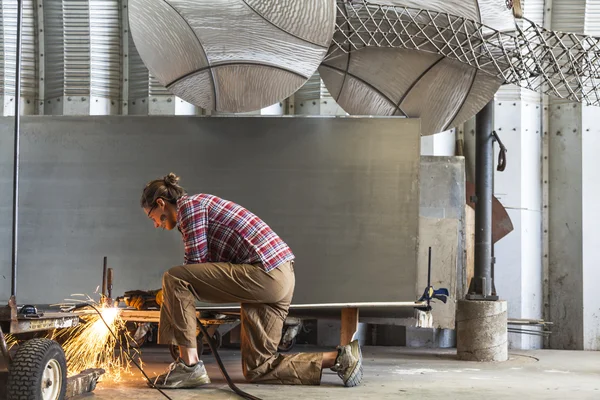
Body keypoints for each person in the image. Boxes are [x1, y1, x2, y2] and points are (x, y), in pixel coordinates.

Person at [129, 173, 363, 389]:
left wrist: (167, 295)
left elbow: (193, 269)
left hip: (264, 274)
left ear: (161, 203)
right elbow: (206, 274)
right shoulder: (199, 206)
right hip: (280, 276)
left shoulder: (189, 208)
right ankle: (341, 358)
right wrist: (170, 297)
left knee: (174, 277)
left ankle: (189, 366)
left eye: (153, 217)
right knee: (258, 368)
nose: (156, 224)